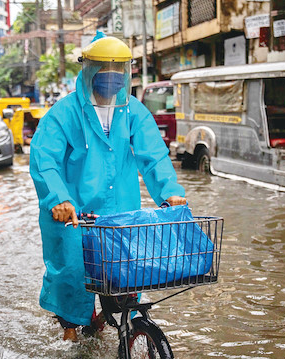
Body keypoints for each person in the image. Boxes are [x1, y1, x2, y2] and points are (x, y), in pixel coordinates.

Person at [29, 32, 187, 342]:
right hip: (74, 213)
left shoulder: (133, 112)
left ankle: (115, 324)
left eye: (118, 70)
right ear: (88, 70)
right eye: (104, 69)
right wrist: (58, 199)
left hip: (120, 213)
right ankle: (70, 332)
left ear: (127, 72)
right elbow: (43, 159)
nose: (111, 78)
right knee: (72, 278)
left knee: (126, 278)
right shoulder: (64, 113)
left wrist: (170, 190)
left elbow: (154, 155)